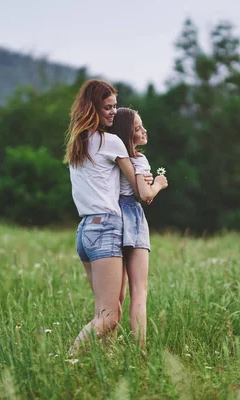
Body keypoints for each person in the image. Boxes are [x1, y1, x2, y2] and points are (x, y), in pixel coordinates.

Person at [63, 80, 150, 354]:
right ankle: (69, 357)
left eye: (114, 107)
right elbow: (138, 190)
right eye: (107, 107)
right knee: (109, 317)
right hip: (107, 227)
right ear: (93, 108)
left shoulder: (78, 143)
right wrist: (153, 181)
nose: (113, 112)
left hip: (85, 230)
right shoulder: (111, 141)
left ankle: (106, 361)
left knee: (105, 312)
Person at [109, 107, 168, 347]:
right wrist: (158, 185)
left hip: (113, 217)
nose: (144, 131)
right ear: (127, 134)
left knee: (117, 294)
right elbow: (144, 194)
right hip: (132, 216)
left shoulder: (113, 158)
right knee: (139, 291)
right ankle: (139, 348)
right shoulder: (139, 159)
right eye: (137, 128)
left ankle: (108, 346)